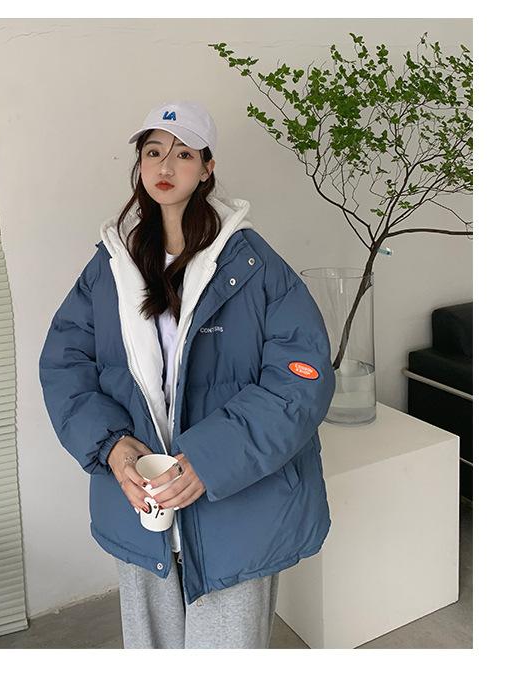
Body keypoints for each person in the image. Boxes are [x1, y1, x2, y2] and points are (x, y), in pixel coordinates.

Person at [39, 100, 335, 649]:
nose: (165, 165)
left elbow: (302, 378)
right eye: (153, 152)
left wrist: (210, 459)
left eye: (183, 154)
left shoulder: (252, 265)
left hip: (234, 507)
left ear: (207, 168)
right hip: (140, 500)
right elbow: (64, 364)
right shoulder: (112, 266)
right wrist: (110, 446)